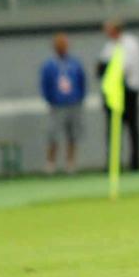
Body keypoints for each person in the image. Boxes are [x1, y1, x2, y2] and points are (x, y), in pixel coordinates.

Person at [98, 19, 139, 171]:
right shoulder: (109, 46)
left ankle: (135, 162)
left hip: (129, 90)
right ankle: (114, 163)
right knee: (113, 129)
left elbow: (124, 67)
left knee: (132, 127)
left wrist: (110, 69)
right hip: (114, 92)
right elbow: (101, 67)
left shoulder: (131, 44)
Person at [40, 32, 87, 174]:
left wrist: (79, 97)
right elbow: (45, 84)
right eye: (59, 45)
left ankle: (70, 163)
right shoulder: (49, 65)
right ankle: (51, 164)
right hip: (57, 105)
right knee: (53, 134)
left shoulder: (75, 63)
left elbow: (82, 81)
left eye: (64, 45)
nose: (62, 47)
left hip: (74, 103)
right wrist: (50, 99)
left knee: (73, 135)